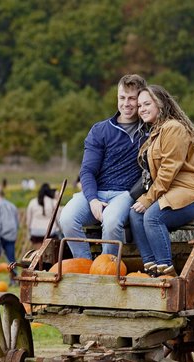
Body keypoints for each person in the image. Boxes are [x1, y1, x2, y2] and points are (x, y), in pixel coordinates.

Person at [59, 74, 147, 259]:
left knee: (112, 222)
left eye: (132, 98)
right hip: (96, 192)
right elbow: (87, 171)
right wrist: (92, 200)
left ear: (141, 99)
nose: (126, 103)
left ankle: (108, 267)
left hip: (125, 194)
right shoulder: (100, 130)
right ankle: (84, 264)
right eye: (122, 98)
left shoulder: (150, 132)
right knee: (66, 218)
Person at [129, 85, 194, 277]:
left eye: (147, 104)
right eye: (140, 105)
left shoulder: (174, 128)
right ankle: (151, 270)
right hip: (172, 193)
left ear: (160, 103)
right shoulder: (156, 132)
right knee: (135, 214)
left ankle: (167, 273)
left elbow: (168, 170)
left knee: (152, 217)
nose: (142, 109)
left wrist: (148, 199)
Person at [26, 183, 61, 249]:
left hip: (35, 232)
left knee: (38, 252)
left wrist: (29, 233)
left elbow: (28, 220)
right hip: (50, 233)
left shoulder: (32, 202)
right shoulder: (53, 202)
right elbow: (58, 219)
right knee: (50, 253)